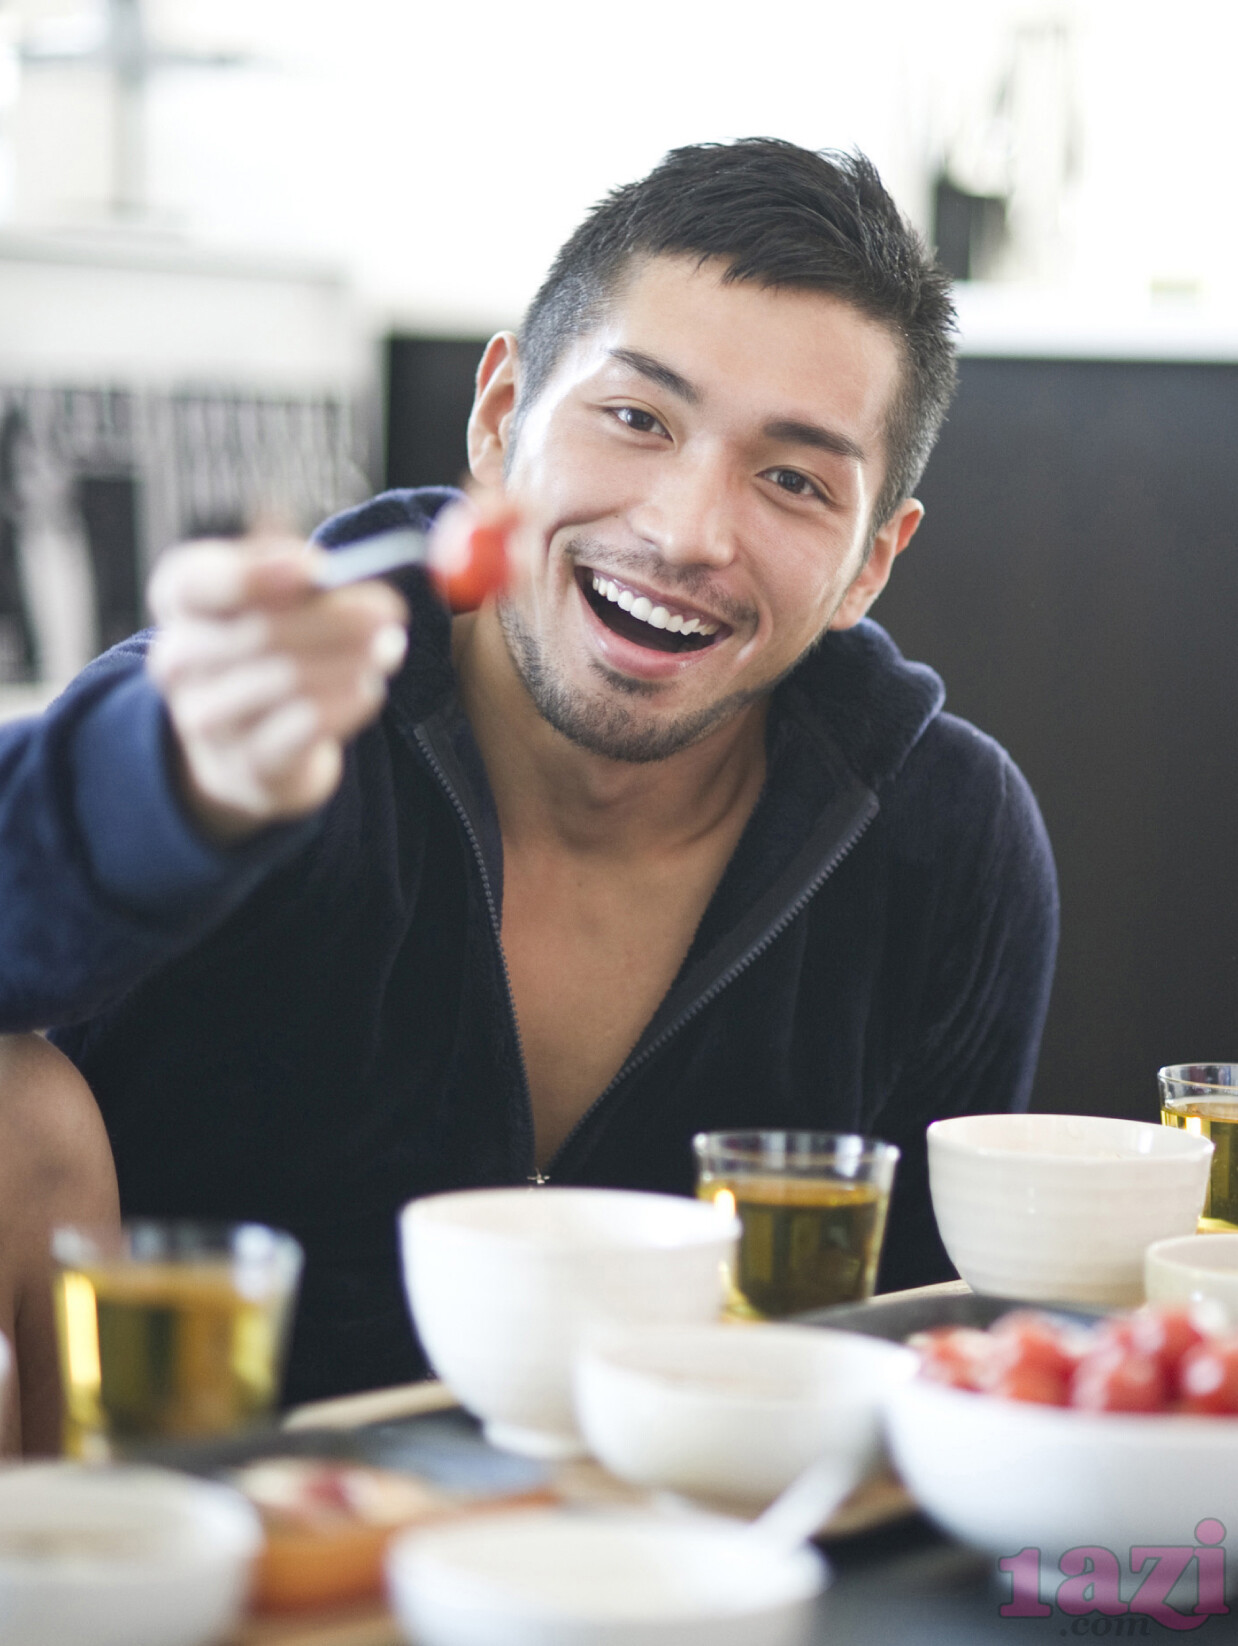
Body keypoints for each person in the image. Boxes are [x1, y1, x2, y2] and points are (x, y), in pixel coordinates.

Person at [0, 139, 1057, 1412]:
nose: (682, 532)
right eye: (635, 418)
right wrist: (180, 789)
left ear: (870, 563)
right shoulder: (258, 710)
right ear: (501, 420)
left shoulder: (946, 838)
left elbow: (935, 1354)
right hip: (236, 1543)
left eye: (791, 480)